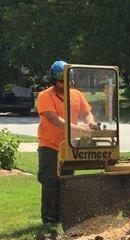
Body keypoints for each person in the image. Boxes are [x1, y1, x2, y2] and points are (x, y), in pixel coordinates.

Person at [37, 60, 97, 225]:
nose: (65, 84)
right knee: (50, 182)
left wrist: (91, 123)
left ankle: (64, 217)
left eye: (67, 81)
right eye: (61, 81)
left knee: (67, 182)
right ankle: (49, 220)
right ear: (53, 79)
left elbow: (87, 113)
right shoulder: (45, 96)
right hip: (49, 146)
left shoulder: (76, 95)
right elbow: (53, 119)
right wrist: (76, 128)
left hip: (69, 147)